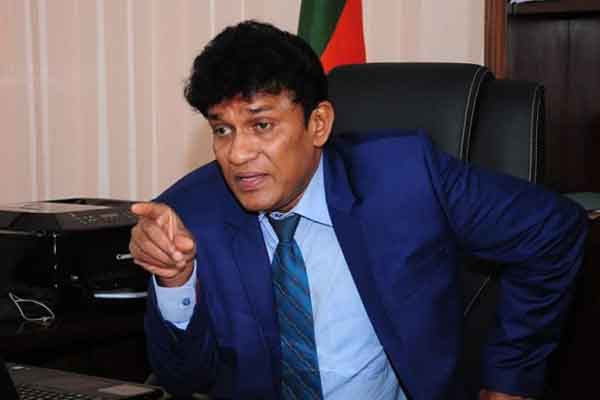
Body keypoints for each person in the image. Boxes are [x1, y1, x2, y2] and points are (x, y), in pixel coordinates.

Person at [129, 20, 587, 400]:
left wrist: (509, 379)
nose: (237, 154)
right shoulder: (191, 215)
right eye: (222, 130)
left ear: (318, 124)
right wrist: (176, 282)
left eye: (261, 125)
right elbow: (183, 380)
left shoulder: (405, 178)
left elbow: (553, 229)